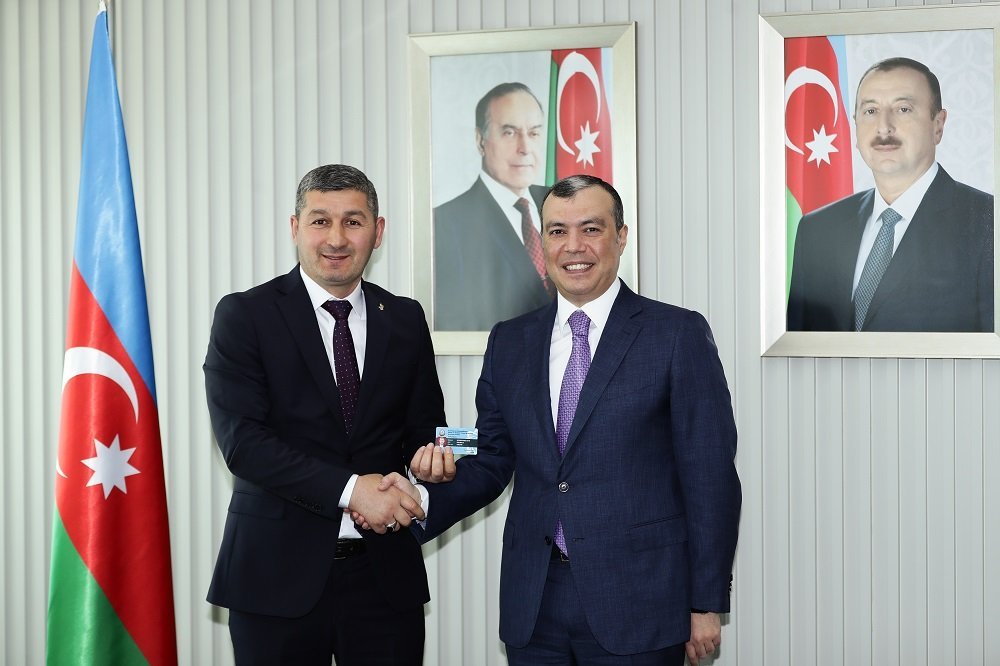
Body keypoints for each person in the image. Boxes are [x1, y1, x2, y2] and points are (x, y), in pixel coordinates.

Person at [395, 175, 741, 665]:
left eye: (591, 229)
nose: (574, 246)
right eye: (557, 231)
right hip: (535, 602)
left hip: (641, 601)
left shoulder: (675, 333)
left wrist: (704, 601)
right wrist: (420, 499)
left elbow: (710, 476)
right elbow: (492, 455)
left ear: (621, 237)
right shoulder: (510, 341)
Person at [203, 164, 445, 665]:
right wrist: (352, 490)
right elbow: (244, 445)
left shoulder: (405, 318)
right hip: (274, 579)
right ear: (295, 228)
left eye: (353, 221)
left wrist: (436, 459)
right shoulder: (245, 315)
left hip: (385, 579)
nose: (336, 238)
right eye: (320, 221)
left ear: (378, 232)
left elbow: (426, 429)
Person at [787, 57, 994, 332]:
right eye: (870, 111)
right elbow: (799, 346)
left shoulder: (987, 223)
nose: (883, 127)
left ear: (938, 125)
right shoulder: (817, 229)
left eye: (903, 109)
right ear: (855, 125)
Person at [434, 82, 555, 331]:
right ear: (480, 140)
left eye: (533, 133)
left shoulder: (561, 203)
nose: (525, 148)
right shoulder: (444, 224)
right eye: (509, 133)